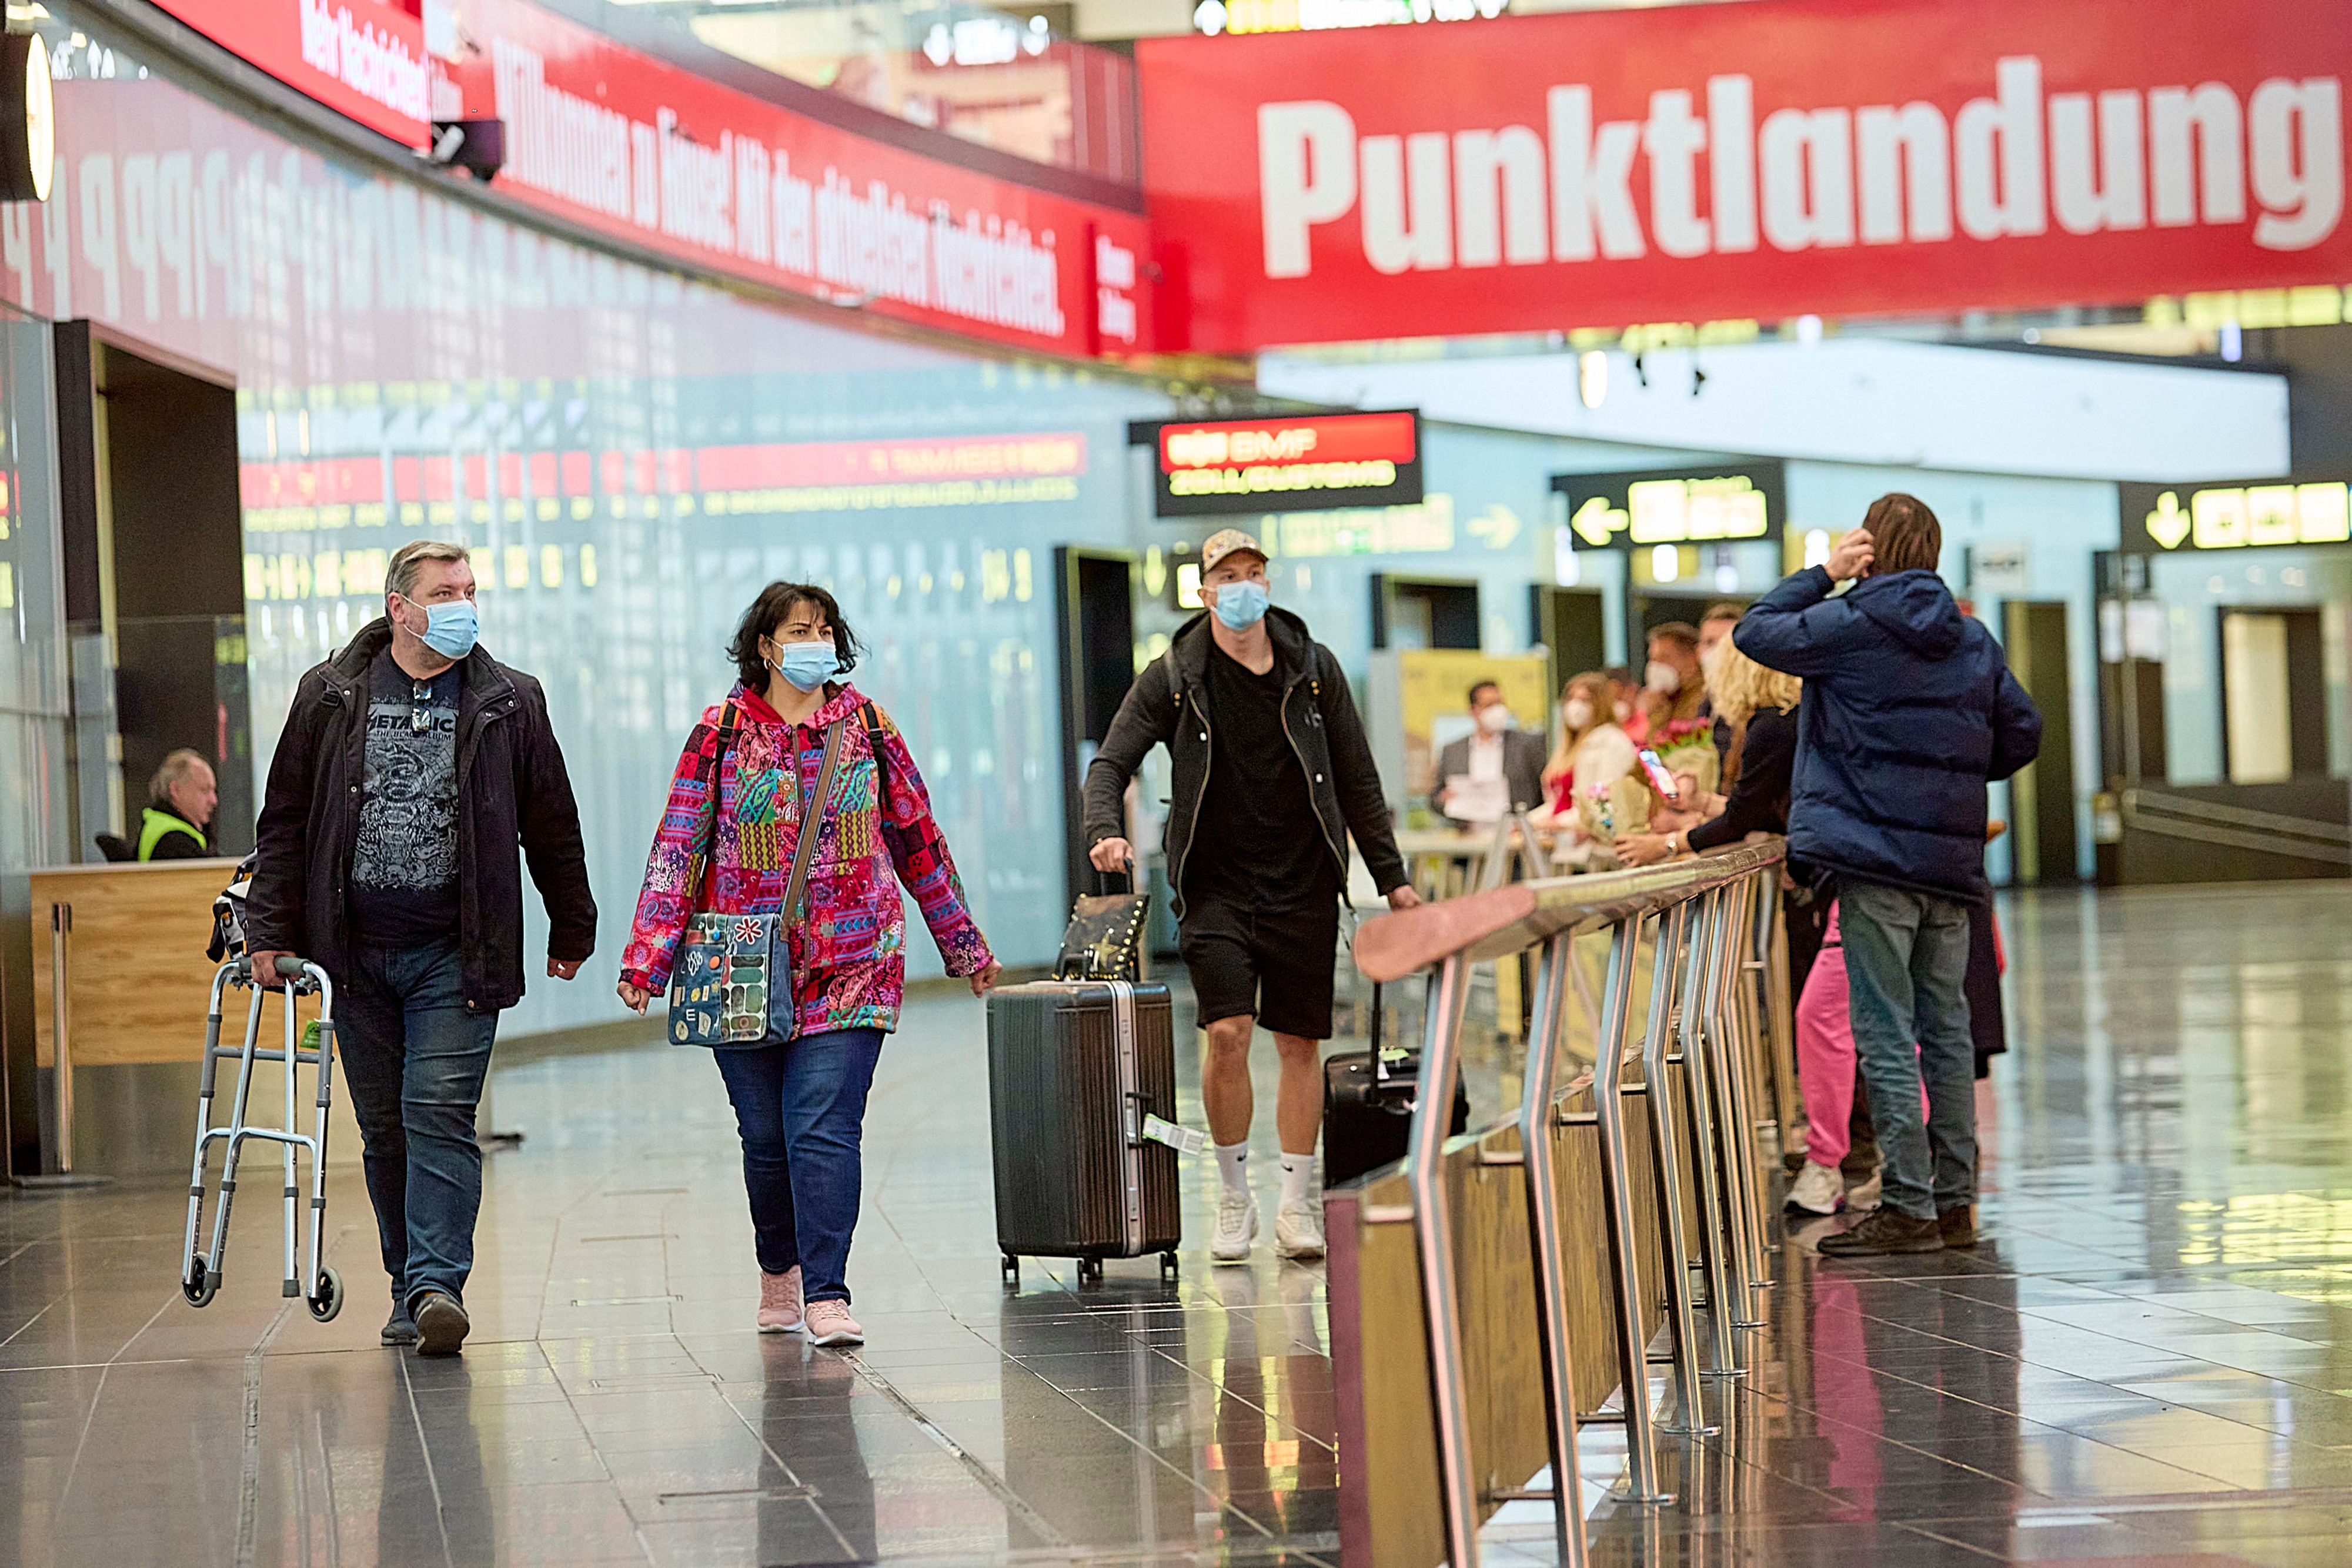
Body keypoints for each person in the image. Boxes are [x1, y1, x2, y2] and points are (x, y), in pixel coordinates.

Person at [620, 582, 1000, 1346]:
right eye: (800, 630)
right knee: (765, 1136)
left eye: (826, 630)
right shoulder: (721, 730)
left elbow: (917, 837)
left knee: (821, 1127)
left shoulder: (866, 725)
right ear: (765, 644)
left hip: (854, 958)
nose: (815, 642)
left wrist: (963, 943)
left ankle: (828, 1291)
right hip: (739, 964)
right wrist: (648, 958)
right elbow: (678, 845)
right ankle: (780, 1270)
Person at [248, 540, 597, 1355]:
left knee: (437, 1111)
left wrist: (570, 921)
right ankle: (408, 1283)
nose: (465, 603)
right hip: (352, 950)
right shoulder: (330, 693)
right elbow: (286, 820)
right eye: (446, 591)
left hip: (457, 948)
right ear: (399, 607)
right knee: (384, 1128)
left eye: (471, 589)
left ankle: (440, 1282)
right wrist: (270, 930)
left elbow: (551, 819)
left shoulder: (511, 699)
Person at [1081, 529, 1419, 1266]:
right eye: (1227, 575)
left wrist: (1392, 880)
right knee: (1227, 1033)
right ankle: (1234, 1197)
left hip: (1303, 881)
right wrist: (1103, 830)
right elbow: (1112, 761)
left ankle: (1296, 1202)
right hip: (1215, 884)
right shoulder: (1175, 673)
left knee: (1300, 1043)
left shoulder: (1315, 670)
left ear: (1268, 581)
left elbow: (1357, 780)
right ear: (1204, 592)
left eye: (1254, 572)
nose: (1243, 585)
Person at [1735, 494, 2041, 1258]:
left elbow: (1756, 632)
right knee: (1945, 1027)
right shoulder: (1971, 637)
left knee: (1882, 1027)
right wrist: (1956, 764)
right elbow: (2023, 731)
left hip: (1872, 859)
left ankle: (1907, 1202)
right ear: (1934, 550)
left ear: (1871, 549)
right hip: (1950, 865)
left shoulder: (1850, 625)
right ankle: (1955, 1203)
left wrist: (1821, 572)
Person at [1613, 637, 1798, 866]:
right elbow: (1764, 811)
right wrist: (1701, 801)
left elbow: (1744, 817)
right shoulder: (1782, 719)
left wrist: (1666, 845)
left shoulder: (1771, 724)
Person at [1431, 680, 1547, 824]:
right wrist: (1443, 799)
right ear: (1474, 710)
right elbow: (1435, 799)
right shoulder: (1453, 751)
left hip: (1514, 833)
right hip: (1469, 836)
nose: (1498, 711)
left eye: (1500, 703)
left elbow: (1541, 791)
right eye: (1490, 705)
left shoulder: (1527, 745)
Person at [1539, 670, 1639, 822]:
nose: (1575, 706)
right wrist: (1528, 822)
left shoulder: (1612, 742)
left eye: (1584, 700)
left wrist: (1561, 823)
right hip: (1565, 839)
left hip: (1595, 841)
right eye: (1571, 698)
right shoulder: (1568, 747)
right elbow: (1557, 804)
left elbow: (1604, 805)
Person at [138, 749, 218, 860]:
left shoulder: (166, 824)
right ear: (175, 790)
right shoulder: (172, 842)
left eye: (213, 791)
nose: (214, 801)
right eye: (204, 790)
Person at [1633, 622, 1705, 743]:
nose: (1655, 666)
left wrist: (1659, 711)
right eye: (1652, 659)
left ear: (1691, 659)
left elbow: (1671, 749)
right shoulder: (1669, 698)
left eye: (1663, 658)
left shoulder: (1703, 700)